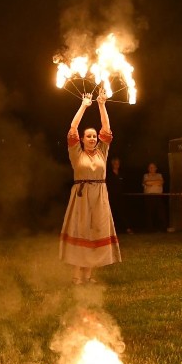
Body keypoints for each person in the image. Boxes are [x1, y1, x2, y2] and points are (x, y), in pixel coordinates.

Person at [59, 91, 121, 284]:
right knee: (81, 232)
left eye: (94, 136)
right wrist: (85, 105)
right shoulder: (76, 153)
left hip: (100, 196)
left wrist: (102, 104)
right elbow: (72, 129)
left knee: (96, 232)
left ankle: (89, 275)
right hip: (81, 196)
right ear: (83, 139)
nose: (93, 138)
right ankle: (77, 275)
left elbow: (107, 130)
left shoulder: (102, 151)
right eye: (89, 136)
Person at [106, 157, 132, 234]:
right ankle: (110, 231)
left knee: (122, 212)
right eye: (115, 163)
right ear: (112, 164)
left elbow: (125, 184)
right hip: (111, 196)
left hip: (120, 196)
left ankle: (127, 228)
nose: (117, 165)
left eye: (118, 163)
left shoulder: (122, 173)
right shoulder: (108, 174)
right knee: (111, 213)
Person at [142, 162, 167, 232]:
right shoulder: (146, 175)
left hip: (158, 196)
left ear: (156, 168)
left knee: (161, 213)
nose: (151, 169)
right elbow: (147, 183)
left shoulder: (159, 175)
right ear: (148, 169)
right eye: (150, 167)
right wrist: (155, 182)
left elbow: (161, 182)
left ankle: (162, 229)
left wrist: (151, 182)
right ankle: (150, 229)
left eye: (153, 167)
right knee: (149, 213)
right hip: (149, 196)